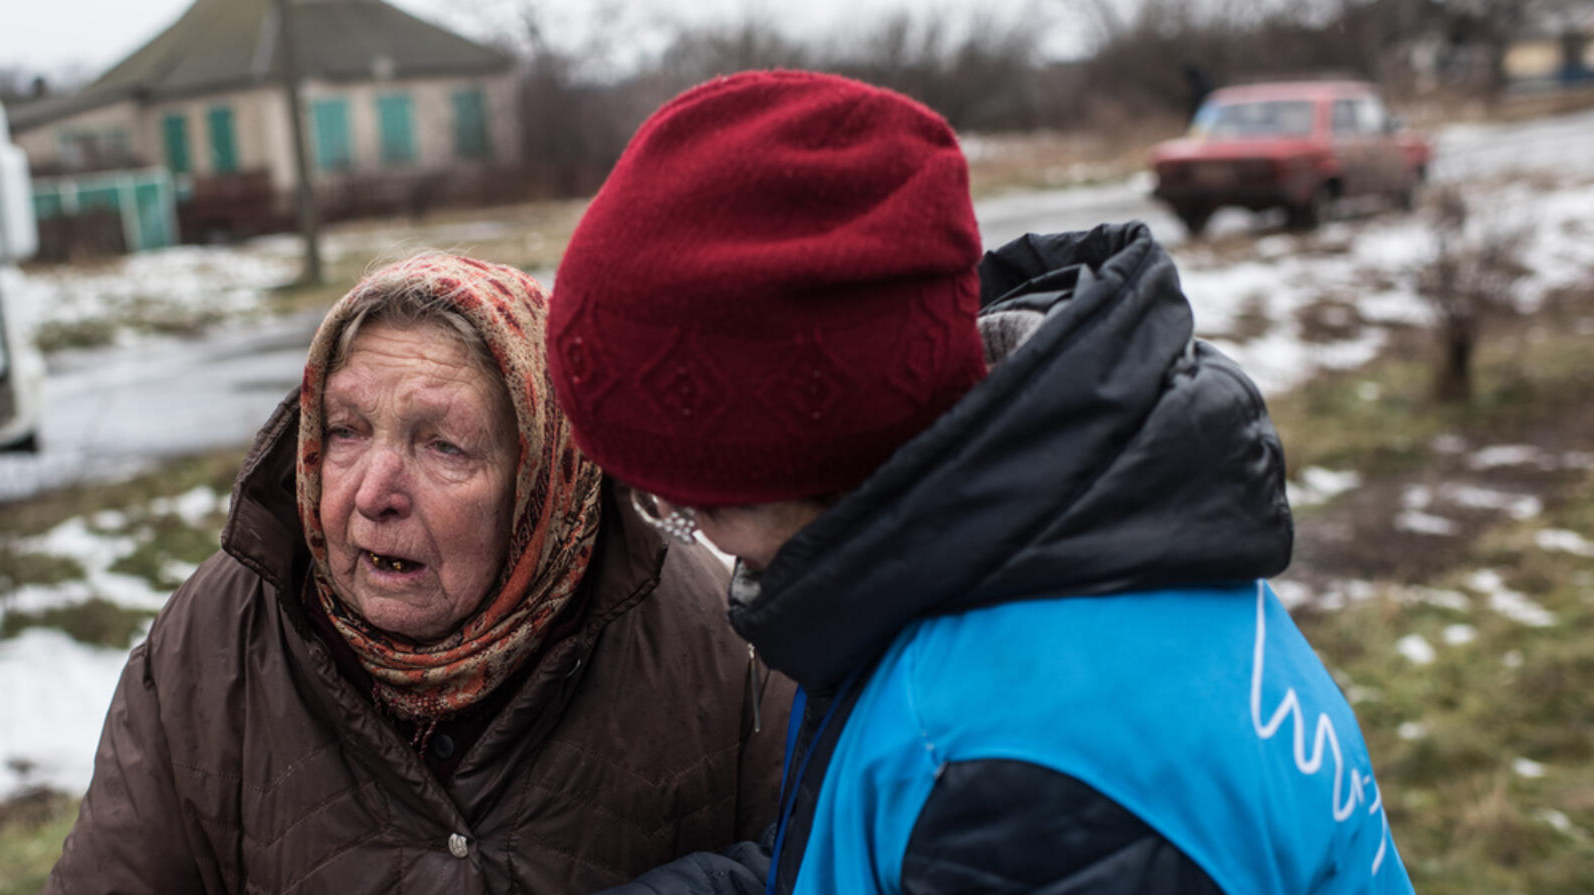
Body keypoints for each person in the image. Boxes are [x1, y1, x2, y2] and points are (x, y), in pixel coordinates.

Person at [547, 71, 1414, 894]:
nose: (689, 528)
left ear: (798, 461)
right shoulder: (1044, 556)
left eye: (678, 498)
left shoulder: (1018, 763)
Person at [44, 254, 790, 894]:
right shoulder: (214, 640)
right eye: (346, 431)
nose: (373, 494)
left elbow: (813, 859)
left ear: (541, 480)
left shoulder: (704, 633)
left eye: (444, 446)